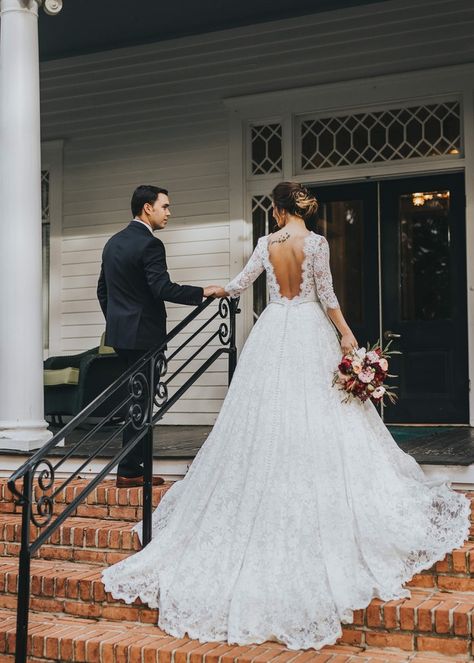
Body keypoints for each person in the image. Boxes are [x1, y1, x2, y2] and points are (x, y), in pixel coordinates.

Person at [102, 181, 469, 650]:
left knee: (262, 414)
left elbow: (241, 284)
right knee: (322, 412)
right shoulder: (315, 243)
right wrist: (347, 336)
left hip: (273, 330)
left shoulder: (266, 244)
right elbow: (327, 295)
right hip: (308, 327)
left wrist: (217, 290)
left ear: (276, 212)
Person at [97, 184, 220, 488]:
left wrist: (118, 322)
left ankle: (130, 467)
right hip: (146, 338)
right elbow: (162, 288)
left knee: (135, 398)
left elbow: (103, 291)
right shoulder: (150, 245)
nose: (169, 212)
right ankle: (129, 469)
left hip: (122, 336)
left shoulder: (113, 243)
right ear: (147, 208)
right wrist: (203, 292)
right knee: (142, 401)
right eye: (165, 206)